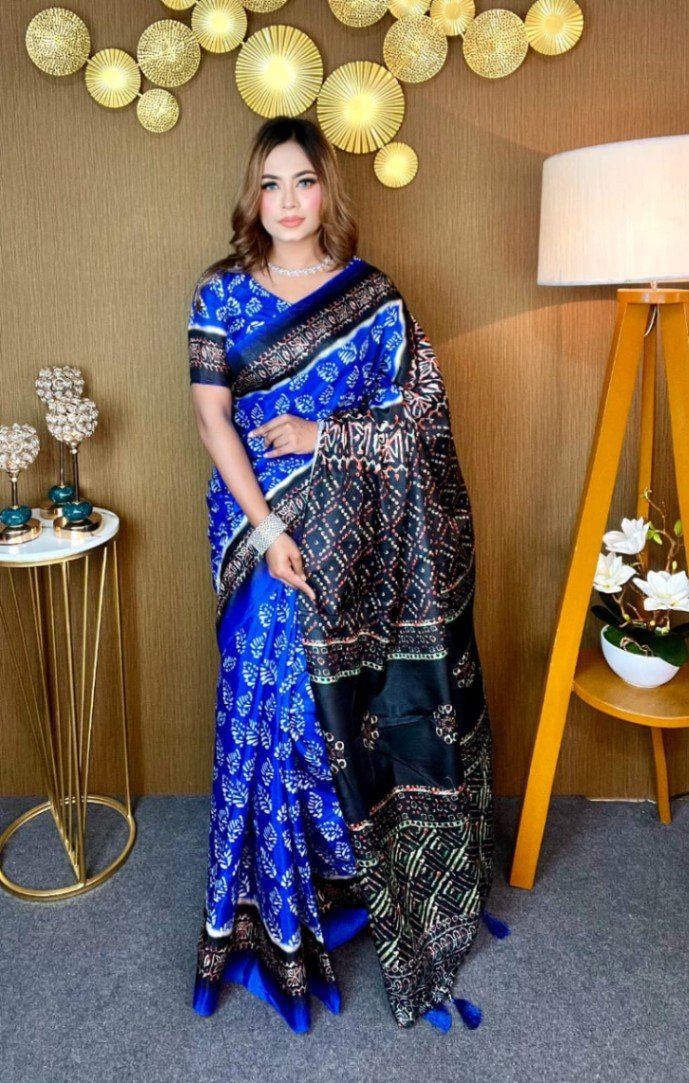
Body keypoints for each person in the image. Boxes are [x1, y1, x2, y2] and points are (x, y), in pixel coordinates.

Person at [187, 116, 503, 1036]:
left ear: (327, 188)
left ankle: (339, 872)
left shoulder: (372, 295)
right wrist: (267, 527)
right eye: (270, 184)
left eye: (303, 182)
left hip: (353, 529)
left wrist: (323, 434)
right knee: (265, 698)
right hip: (253, 524)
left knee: (329, 706)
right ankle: (271, 910)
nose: (286, 202)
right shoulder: (219, 293)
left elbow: (421, 417)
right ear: (252, 195)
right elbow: (212, 420)